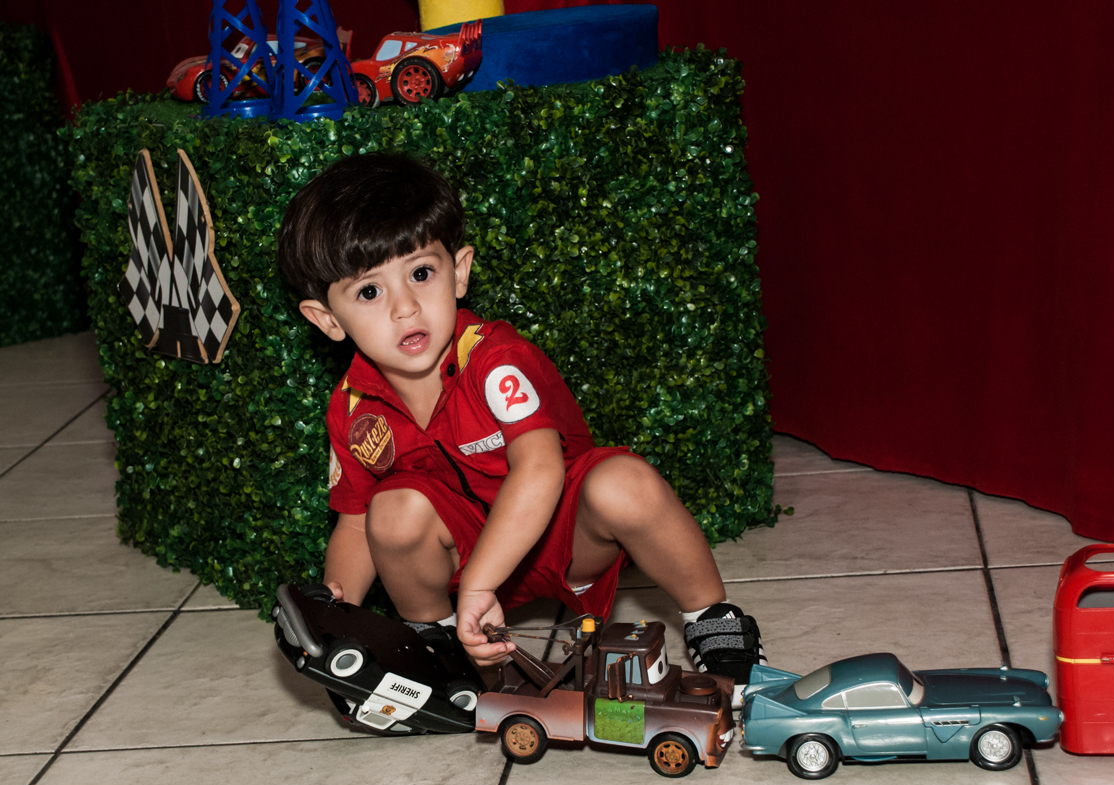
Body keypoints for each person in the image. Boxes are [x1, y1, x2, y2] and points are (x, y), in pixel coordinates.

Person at [276, 152, 765, 692]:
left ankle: (714, 621)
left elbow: (540, 470)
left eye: (420, 273)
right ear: (327, 319)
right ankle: (440, 649)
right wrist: (336, 611)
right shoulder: (351, 408)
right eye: (370, 291)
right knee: (390, 514)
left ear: (459, 272)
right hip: (462, 557)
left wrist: (481, 582)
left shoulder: (495, 360)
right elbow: (353, 524)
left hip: (563, 534)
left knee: (624, 482)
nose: (405, 307)